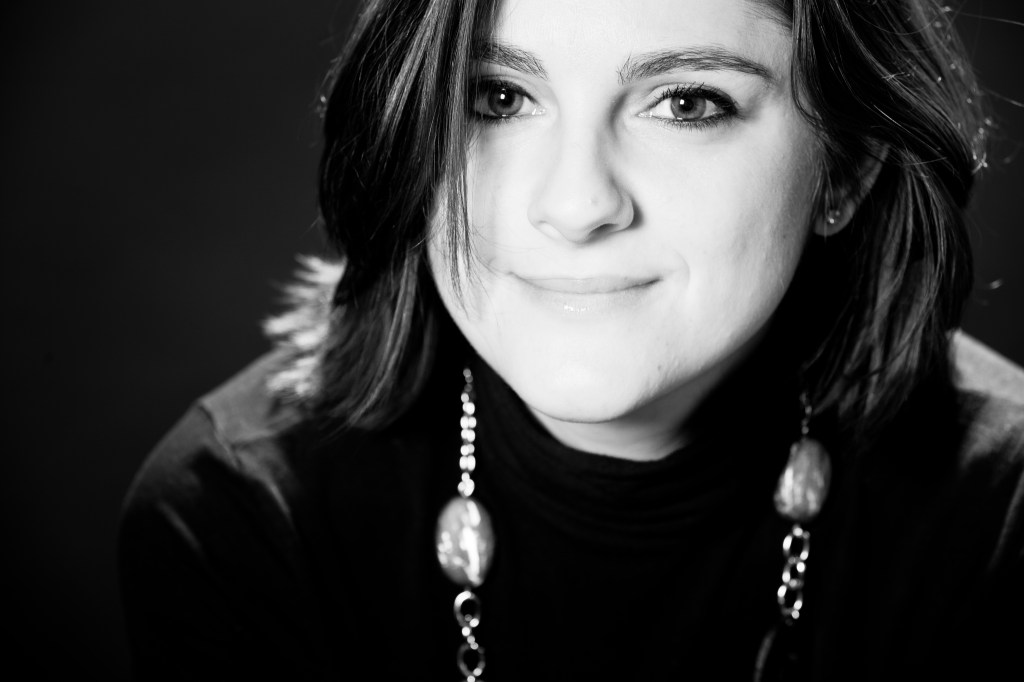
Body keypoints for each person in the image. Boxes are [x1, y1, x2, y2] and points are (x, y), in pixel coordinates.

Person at [119, 0, 1023, 679]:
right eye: (499, 96)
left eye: (687, 103)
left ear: (847, 167)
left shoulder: (1003, 518)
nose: (578, 203)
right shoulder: (241, 523)